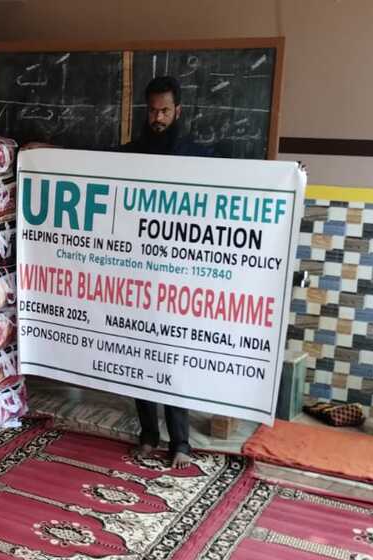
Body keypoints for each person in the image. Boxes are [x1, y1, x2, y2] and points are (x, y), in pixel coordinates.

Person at [120, 76, 211, 469]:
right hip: (139, 273)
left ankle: (181, 443)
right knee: (141, 357)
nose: (157, 118)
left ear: (179, 111)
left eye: (165, 111)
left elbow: (246, 177)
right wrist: (45, 154)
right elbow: (90, 161)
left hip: (178, 277)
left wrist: (292, 173)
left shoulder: (197, 156)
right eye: (153, 111)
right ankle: (148, 436)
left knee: (173, 361)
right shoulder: (132, 153)